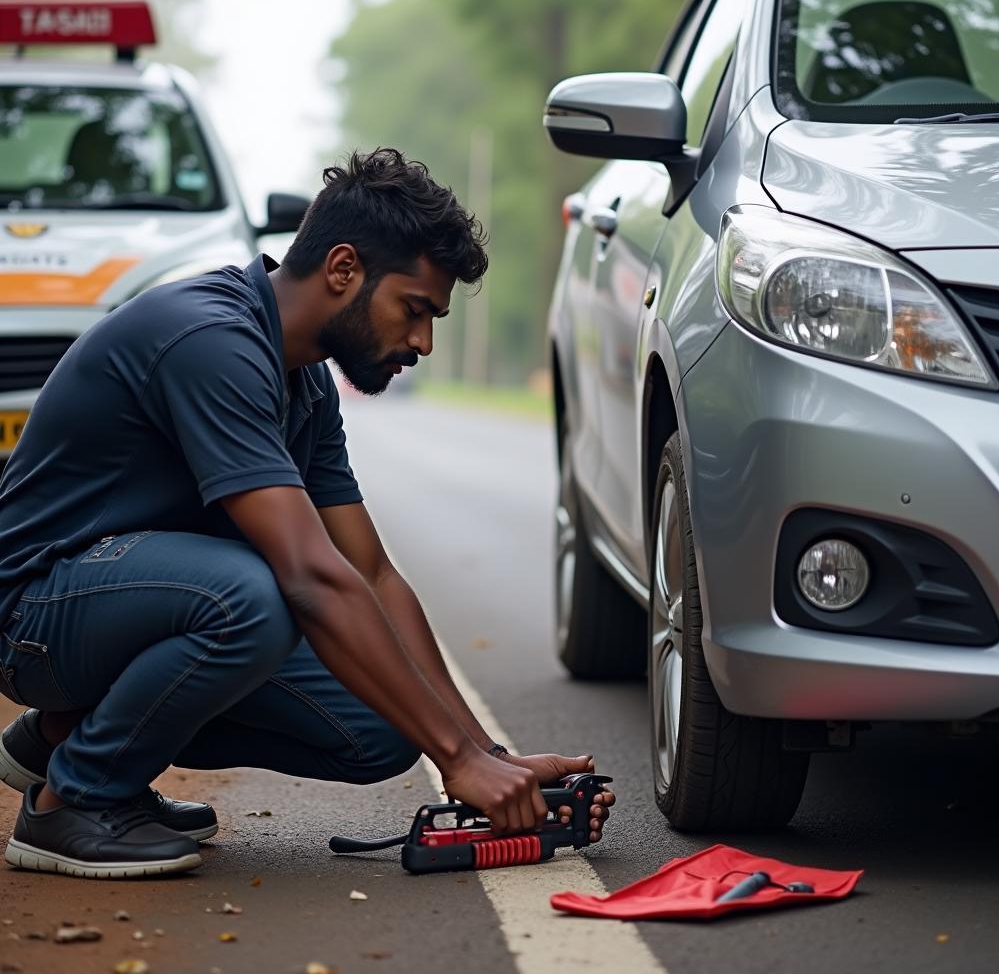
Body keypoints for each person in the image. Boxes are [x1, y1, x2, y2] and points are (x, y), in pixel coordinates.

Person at [0, 148, 614, 879]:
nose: (422, 342)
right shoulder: (211, 341)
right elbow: (313, 577)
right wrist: (458, 760)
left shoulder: (306, 385)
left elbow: (373, 576)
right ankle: (74, 800)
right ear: (344, 269)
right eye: (414, 310)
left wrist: (481, 755)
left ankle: (67, 740)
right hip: (33, 613)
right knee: (255, 596)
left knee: (384, 727)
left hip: (121, 609)